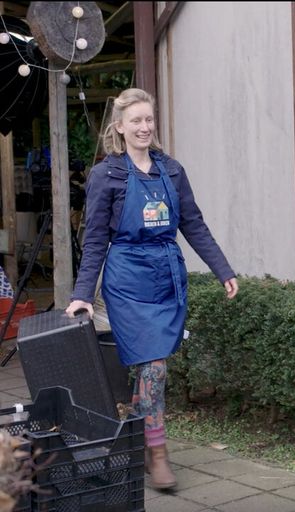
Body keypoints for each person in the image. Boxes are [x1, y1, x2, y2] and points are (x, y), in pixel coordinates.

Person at [65, 88, 238, 490]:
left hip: (166, 279)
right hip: (127, 281)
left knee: (153, 367)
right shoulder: (105, 175)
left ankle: (137, 437)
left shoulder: (171, 170)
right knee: (154, 364)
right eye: (136, 121)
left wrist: (222, 269)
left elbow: (193, 223)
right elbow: (94, 241)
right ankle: (156, 451)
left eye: (149, 119)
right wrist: (81, 294)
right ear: (120, 127)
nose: (144, 127)